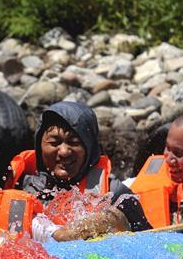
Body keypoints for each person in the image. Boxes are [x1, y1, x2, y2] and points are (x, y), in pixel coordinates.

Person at [11, 101, 152, 239]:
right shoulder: (20, 187)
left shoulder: (115, 194)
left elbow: (152, 244)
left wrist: (121, 224)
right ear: (39, 147)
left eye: (74, 142)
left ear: (89, 147)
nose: (64, 151)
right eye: (54, 143)